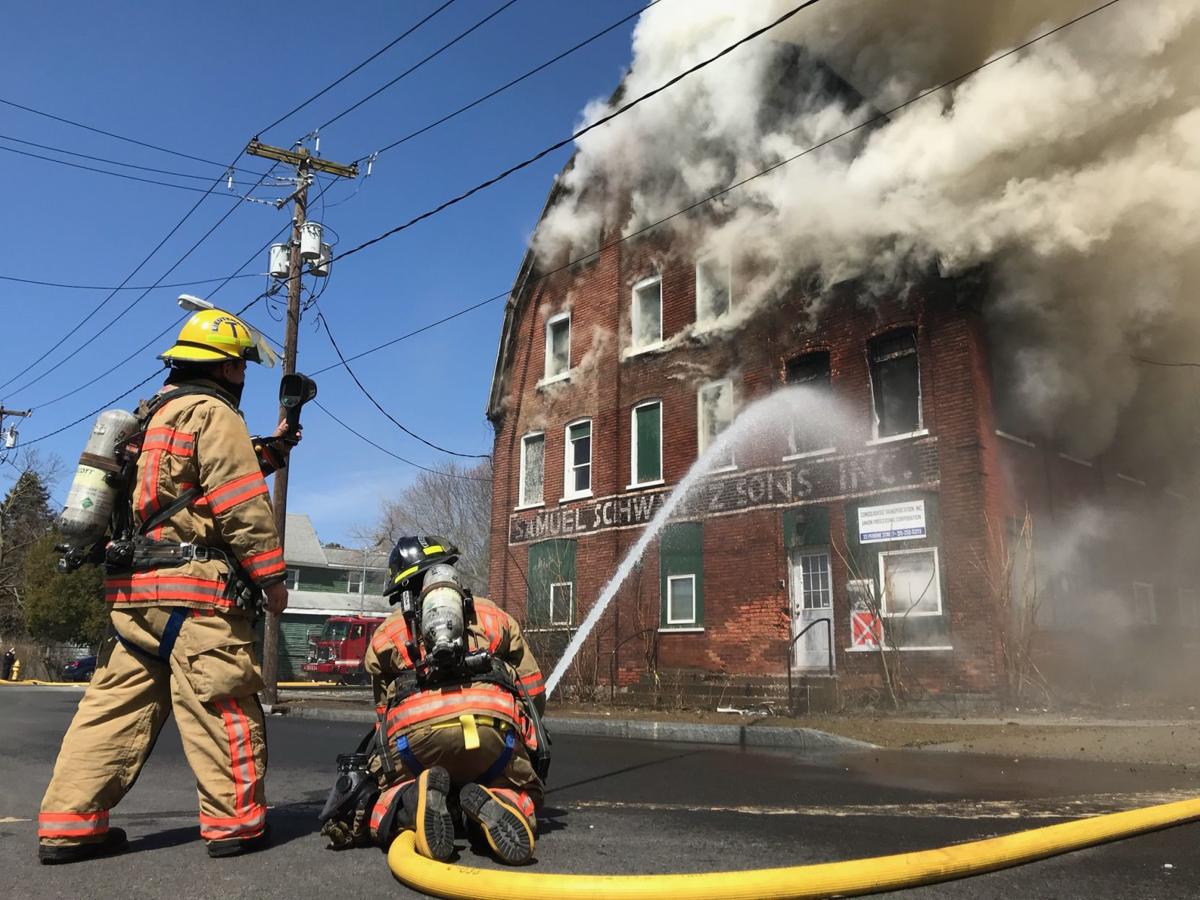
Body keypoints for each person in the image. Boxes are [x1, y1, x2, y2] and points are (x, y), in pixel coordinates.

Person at [37, 307, 297, 864]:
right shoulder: (214, 413)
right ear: (226, 368)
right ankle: (236, 825)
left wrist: (273, 447)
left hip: (134, 601)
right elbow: (237, 502)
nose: (244, 378)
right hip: (196, 598)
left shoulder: (149, 418)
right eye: (242, 367)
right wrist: (271, 579)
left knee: (112, 711)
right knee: (223, 702)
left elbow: (182, 487)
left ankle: (68, 826)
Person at [318, 536, 547, 865]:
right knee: (525, 791)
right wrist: (524, 747)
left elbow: (384, 720)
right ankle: (498, 803)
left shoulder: (387, 634)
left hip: (417, 747)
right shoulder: (494, 616)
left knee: (381, 796)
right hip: (494, 737)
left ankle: (412, 798)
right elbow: (534, 693)